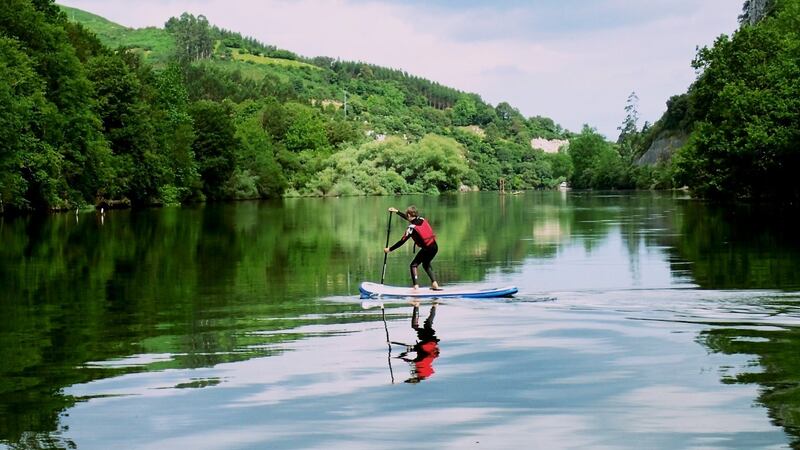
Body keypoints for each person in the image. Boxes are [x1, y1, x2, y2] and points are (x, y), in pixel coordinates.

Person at [384, 205, 441, 290]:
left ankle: (416, 287)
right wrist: (397, 211)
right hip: (434, 247)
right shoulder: (421, 219)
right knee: (426, 264)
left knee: (413, 265)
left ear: (409, 215)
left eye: (407, 215)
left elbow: (402, 241)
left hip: (427, 249)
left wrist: (390, 249)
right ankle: (434, 284)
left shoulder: (411, 229)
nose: (407, 217)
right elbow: (409, 219)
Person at [397, 301, 440, 383]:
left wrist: (404, 354)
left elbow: (411, 358)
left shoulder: (423, 367)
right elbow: (413, 357)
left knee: (428, 325)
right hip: (428, 341)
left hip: (430, 342)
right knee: (417, 325)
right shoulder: (421, 364)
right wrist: (403, 355)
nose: (413, 373)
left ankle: (434, 306)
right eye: (414, 375)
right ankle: (417, 305)